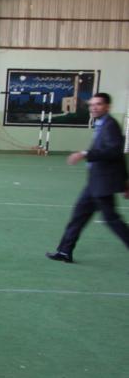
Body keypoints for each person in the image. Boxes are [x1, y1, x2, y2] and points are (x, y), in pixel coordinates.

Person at [46, 92, 129, 262]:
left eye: (98, 104)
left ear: (107, 107)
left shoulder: (110, 125)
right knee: (79, 216)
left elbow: (114, 152)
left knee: (112, 220)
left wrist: (84, 153)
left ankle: (65, 251)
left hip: (103, 183)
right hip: (95, 181)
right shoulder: (101, 123)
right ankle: (64, 251)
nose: (94, 108)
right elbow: (116, 155)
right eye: (92, 104)